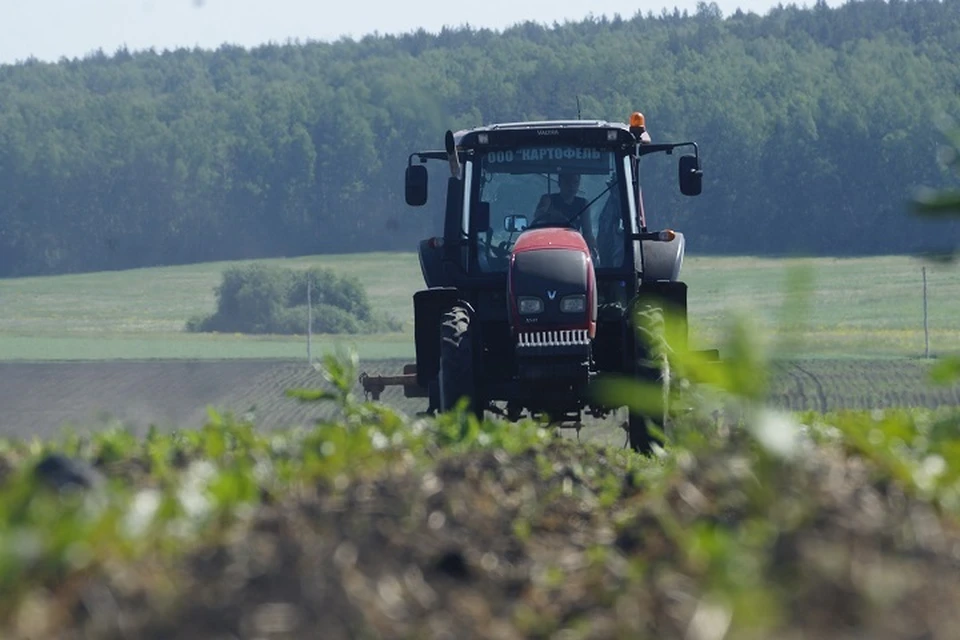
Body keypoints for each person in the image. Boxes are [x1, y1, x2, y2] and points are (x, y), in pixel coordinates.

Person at [532, 170, 597, 255]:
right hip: (549, 245)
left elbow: (587, 232)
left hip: (573, 247)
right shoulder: (548, 200)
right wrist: (549, 214)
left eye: (575, 182)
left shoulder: (583, 204)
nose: (572, 186)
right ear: (560, 183)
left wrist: (592, 250)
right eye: (567, 182)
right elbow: (538, 217)